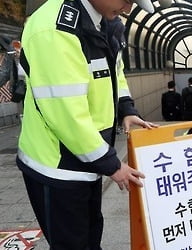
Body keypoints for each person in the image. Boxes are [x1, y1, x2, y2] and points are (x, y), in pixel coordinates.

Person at [16, 0, 158, 249]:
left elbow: (115, 71)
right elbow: (65, 112)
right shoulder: (56, 29)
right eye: (127, 0)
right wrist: (111, 164)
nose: (127, 9)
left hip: (87, 159)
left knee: (91, 236)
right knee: (71, 243)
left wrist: (126, 108)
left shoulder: (103, 20)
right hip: (57, 165)